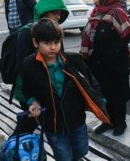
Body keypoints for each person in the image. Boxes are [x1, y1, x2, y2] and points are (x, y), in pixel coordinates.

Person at [22, 18, 110, 161]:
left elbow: (90, 81)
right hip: (53, 124)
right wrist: (33, 102)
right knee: (63, 156)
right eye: (47, 42)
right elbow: (27, 89)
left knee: (82, 149)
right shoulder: (29, 65)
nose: (53, 47)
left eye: (56, 42)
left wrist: (98, 98)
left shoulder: (74, 60)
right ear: (35, 43)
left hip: (77, 120)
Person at [10, 0, 69, 137]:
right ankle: (11, 150)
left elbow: (61, 60)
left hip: (48, 87)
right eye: (54, 12)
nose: (58, 16)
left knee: (36, 120)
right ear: (43, 12)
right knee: (30, 121)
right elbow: (22, 66)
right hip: (28, 89)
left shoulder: (55, 31)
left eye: (60, 13)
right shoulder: (27, 32)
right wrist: (33, 95)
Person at [81, 0, 130, 136]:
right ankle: (107, 121)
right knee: (103, 94)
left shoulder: (117, 13)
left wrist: (108, 55)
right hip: (97, 63)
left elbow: (125, 38)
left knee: (117, 94)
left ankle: (120, 123)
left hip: (114, 64)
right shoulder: (95, 13)